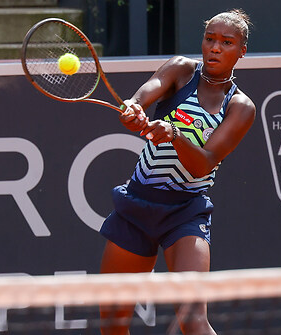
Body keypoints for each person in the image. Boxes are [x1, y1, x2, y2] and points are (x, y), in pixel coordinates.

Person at [99, 9, 255, 335]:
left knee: (194, 321)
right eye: (210, 39)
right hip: (136, 208)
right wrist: (134, 107)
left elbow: (204, 162)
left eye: (226, 42)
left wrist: (173, 134)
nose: (214, 48)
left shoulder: (240, 107)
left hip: (185, 213)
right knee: (112, 323)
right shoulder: (182, 70)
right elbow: (146, 92)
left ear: (241, 51)